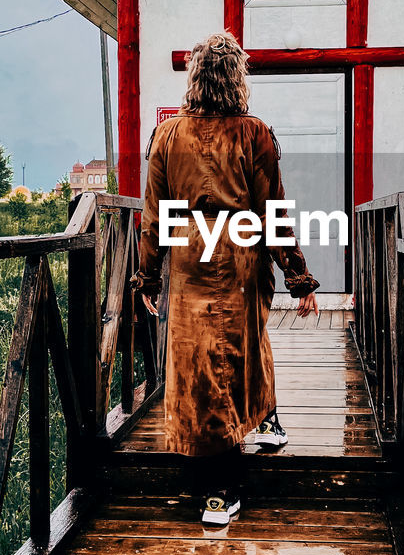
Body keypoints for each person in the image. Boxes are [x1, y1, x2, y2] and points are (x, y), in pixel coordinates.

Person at [132, 31, 320, 524]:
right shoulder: (255, 133)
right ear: (237, 78)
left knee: (200, 361)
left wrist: (146, 278)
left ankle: (237, 445)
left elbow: (152, 217)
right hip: (240, 254)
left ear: (195, 79)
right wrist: (296, 275)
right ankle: (221, 489)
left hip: (188, 256)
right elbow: (273, 211)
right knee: (235, 351)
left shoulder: (167, 135)